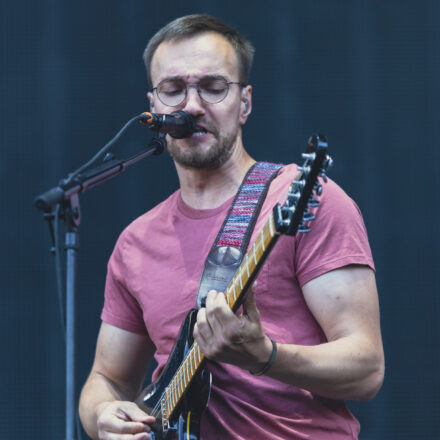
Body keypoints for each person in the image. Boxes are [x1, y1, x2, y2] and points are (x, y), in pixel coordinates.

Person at [79, 14, 384, 440]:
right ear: (153, 107)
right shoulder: (136, 241)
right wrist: (101, 416)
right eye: (173, 90)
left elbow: (367, 369)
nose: (191, 105)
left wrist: (264, 356)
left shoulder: (302, 198)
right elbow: (106, 379)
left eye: (213, 87)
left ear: (245, 103)